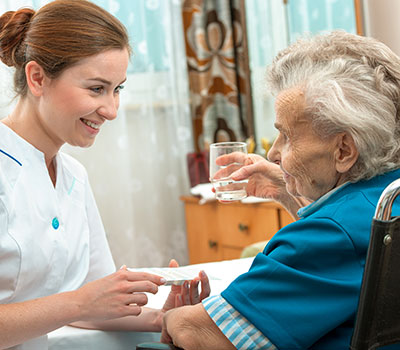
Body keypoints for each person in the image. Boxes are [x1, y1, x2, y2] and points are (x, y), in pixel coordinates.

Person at [160, 30, 400, 350]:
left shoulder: (330, 236)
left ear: (343, 151)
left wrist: (173, 317)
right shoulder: (384, 201)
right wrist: (286, 192)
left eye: (286, 136)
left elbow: (201, 335)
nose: (273, 153)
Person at [0, 1, 210, 349]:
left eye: (118, 89)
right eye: (96, 88)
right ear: (37, 78)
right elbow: (78, 303)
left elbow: (88, 304)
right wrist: (80, 302)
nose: (111, 110)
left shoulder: (73, 177)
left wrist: (163, 317)